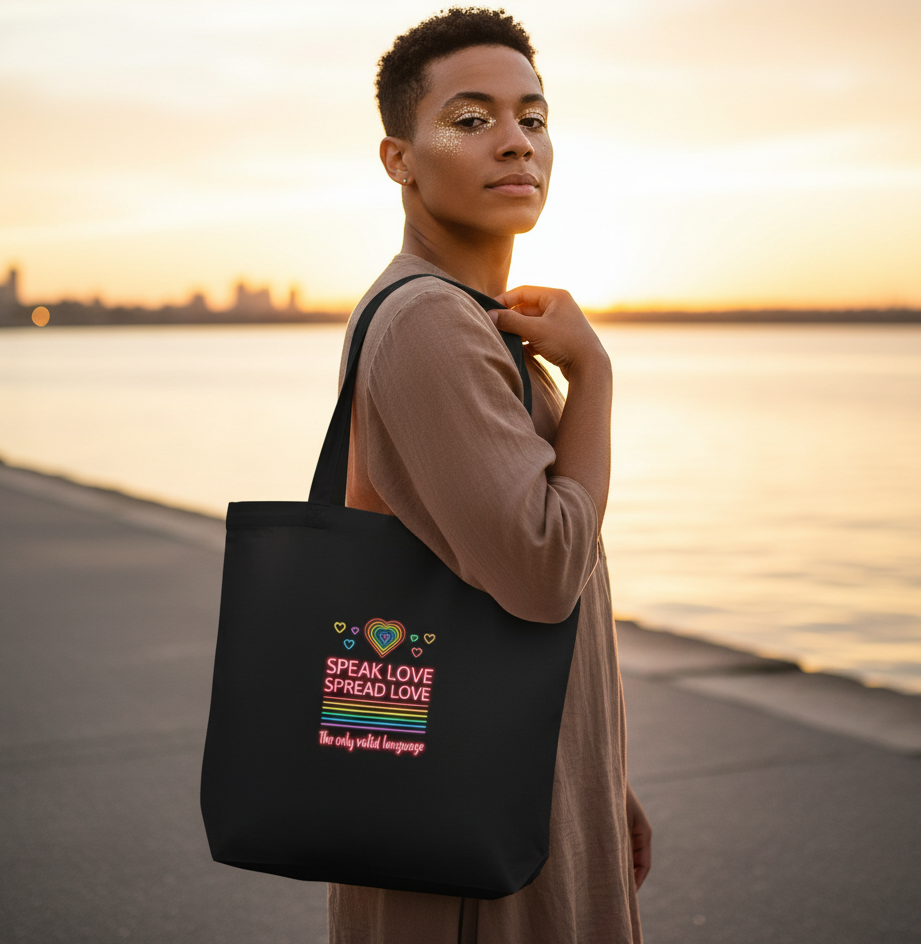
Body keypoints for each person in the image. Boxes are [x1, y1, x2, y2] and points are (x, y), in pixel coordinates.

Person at [328, 8, 650, 943]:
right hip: (473, 822)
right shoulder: (429, 322)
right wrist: (594, 374)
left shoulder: (474, 320)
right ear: (399, 159)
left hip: (521, 786)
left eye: (533, 118)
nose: (516, 143)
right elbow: (549, 571)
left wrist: (601, 773)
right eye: (471, 119)